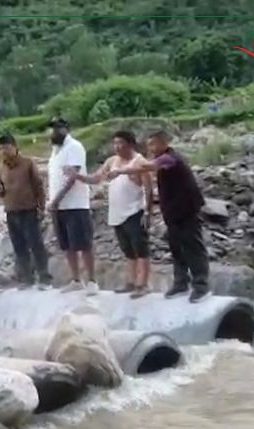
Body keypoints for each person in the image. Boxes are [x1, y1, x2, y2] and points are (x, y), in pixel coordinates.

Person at [107, 131, 211, 303]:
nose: (151, 149)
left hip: (188, 210)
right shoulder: (162, 158)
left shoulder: (171, 158)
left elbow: (148, 166)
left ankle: (201, 286)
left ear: (164, 143)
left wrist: (121, 171)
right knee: (176, 248)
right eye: (149, 145)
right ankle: (181, 283)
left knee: (193, 247)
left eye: (154, 144)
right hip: (172, 212)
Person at [45, 117, 101, 295]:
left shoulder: (74, 147)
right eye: (52, 129)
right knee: (67, 245)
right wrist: (53, 200)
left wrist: (56, 199)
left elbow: (72, 177)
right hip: (58, 206)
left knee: (83, 243)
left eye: (58, 129)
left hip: (75, 204)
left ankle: (92, 280)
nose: (54, 132)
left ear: (66, 129)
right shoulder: (55, 151)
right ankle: (76, 279)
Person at [95, 131, 153, 298]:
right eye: (115, 143)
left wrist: (148, 212)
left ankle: (143, 284)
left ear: (130, 144)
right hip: (117, 213)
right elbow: (97, 177)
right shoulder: (112, 161)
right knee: (127, 250)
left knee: (140, 248)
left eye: (120, 143)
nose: (117, 147)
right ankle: (131, 281)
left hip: (134, 211)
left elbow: (148, 190)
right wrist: (79, 177)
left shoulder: (140, 161)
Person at [0, 133, 52, 289]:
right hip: (11, 211)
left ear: (14, 147)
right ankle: (27, 278)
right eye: (1, 149)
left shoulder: (28, 163)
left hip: (28, 210)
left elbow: (39, 186)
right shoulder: (1, 168)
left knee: (36, 244)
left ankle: (44, 277)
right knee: (19, 246)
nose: (4, 152)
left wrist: (41, 207)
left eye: (6, 148)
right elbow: (0, 191)